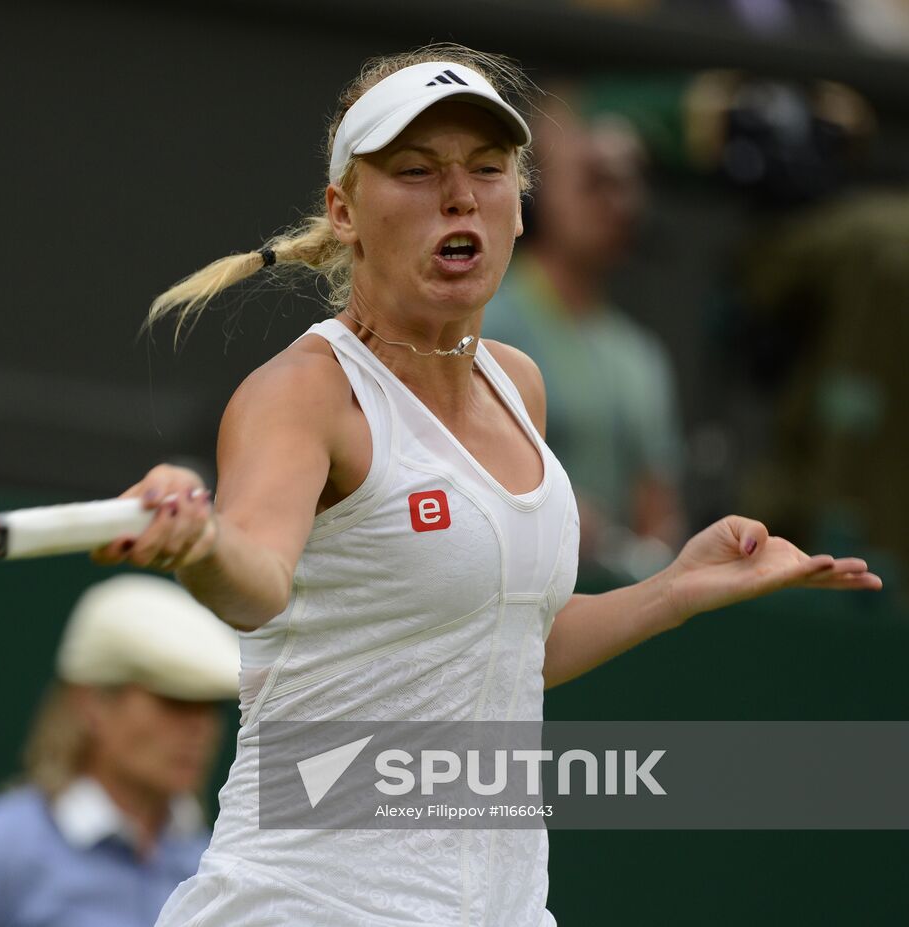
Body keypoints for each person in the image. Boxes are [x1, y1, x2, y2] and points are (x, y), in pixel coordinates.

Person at [90, 44, 883, 926]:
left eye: (487, 170)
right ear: (344, 212)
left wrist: (674, 591)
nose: (459, 195)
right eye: (417, 171)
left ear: (515, 208)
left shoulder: (520, 386)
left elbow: (506, 653)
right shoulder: (306, 393)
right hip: (309, 906)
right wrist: (202, 542)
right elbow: (256, 577)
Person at [0, 574, 241, 927]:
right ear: (92, 704)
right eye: (175, 701)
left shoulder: (221, 865)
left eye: (211, 707)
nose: (203, 729)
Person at [482, 98, 685, 580]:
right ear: (536, 192)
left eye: (628, 183)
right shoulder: (485, 319)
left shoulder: (641, 355)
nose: (619, 204)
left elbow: (657, 506)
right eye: (596, 180)